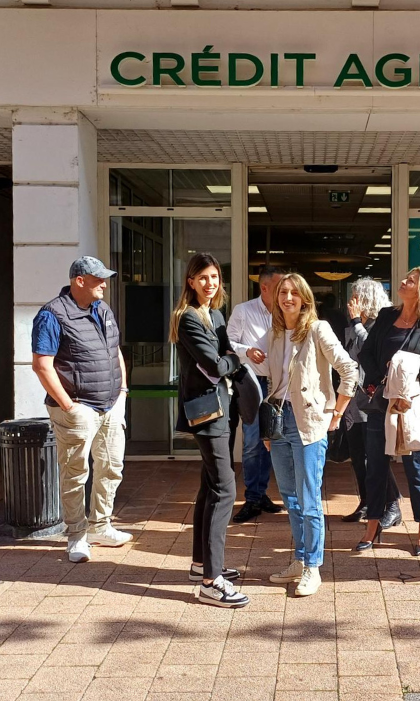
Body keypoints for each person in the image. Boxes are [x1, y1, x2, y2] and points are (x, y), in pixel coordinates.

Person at [261, 273, 359, 597]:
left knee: (309, 499)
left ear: (304, 298)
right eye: (282, 292)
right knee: (289, 497)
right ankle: (300, 560)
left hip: (309, 423)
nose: (287, 297)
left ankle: (313, 568)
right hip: (279, 424)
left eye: (293, 292)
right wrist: (267, 429)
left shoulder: (318, 329)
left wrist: (338, 411)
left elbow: (349, 370)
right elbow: (272, 382)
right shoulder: (275, 333)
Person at [31, 256, 133, 564]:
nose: (104, 283)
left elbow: (114, 350)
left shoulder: (102, 309)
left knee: (111, 468)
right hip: (78, 408)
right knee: (76, 473)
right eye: (98, 278)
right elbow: (41, 365)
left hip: (111, 404)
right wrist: (68, 406)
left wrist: (123, 391)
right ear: (80, 281)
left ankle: (101, 525)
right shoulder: (52, 315)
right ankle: (76, 535)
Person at [171, 253, 250, 608]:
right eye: (202, 277)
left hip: (220, 410)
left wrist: (230, 357)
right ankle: (211, 582)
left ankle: (201, 564)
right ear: (190, 281)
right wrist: (238, 358)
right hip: (206, 414)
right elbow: (217, 363)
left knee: (209, 486)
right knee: (224, 488)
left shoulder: (215, 314)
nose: (210, 283)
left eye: (215, 277)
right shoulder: (188, 319)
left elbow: (224, 355)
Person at [356, 268, 420, 556]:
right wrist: (376, 378)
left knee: (416, 467)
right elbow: (366, 353)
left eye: (411, 280)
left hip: (412, 404)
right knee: (376, 466)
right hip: (382, 401)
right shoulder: (386, 316)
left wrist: (409, 368)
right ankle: (373, 523)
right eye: (406, 277)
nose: (404, 281)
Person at [226, 265, 287, 523]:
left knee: (272, 440)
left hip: (279, 385)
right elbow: (228, 343)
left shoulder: (288, 311)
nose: (286, 293)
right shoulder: (244, 310)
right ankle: (251, 498)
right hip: (252, 383)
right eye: (280, 288)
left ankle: (261, 494)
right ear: (265, 288)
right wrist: (247, 351)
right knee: (252, 442)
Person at [339, 278, 401, 526]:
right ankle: (367, 502)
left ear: (366, 299)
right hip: (354, 402)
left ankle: (392, 504)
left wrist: (356, 323)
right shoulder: (358, 325)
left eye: (355, 296)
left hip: (372, 400)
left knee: (374, 457)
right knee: (358, 457)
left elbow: (371, 352)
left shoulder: (380, 325)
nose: (351, 302)